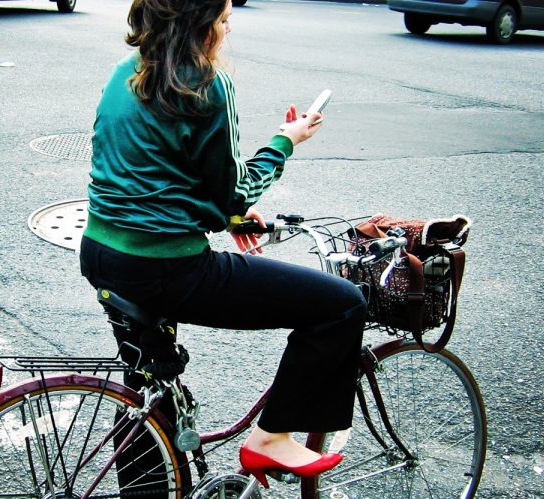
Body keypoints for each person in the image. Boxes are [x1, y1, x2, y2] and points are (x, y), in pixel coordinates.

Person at [79, 0, 367, 490]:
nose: (228, 27)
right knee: (341, 305)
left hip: (103, 252)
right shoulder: (207, 84)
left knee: (149, 387)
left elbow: (153, 175)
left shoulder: (124, 73)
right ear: (200, 25)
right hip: (166, 266)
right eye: (224, 18)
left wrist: (224, 215)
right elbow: (232, 192)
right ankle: (271, 438)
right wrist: (285, 140)